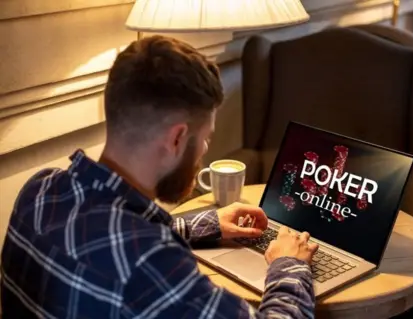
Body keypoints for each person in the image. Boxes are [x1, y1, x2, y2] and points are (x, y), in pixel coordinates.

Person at [0, 35, 319, 318]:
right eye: (205, 137)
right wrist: (289, 265)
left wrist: (204, 226)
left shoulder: (40, 190)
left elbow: (108, 232)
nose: (204, 149)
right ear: (177, 139)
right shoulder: (152, 261)